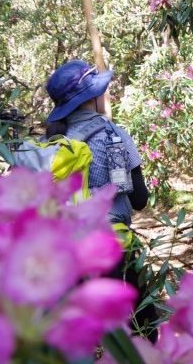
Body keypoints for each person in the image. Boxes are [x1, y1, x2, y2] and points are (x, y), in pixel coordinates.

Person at [45, 59, 157, 339]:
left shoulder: (54, 141)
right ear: (92, 96)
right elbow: (139, 198)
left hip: (66, 247)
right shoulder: (112, 135)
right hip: (112, 245)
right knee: (143, 325)